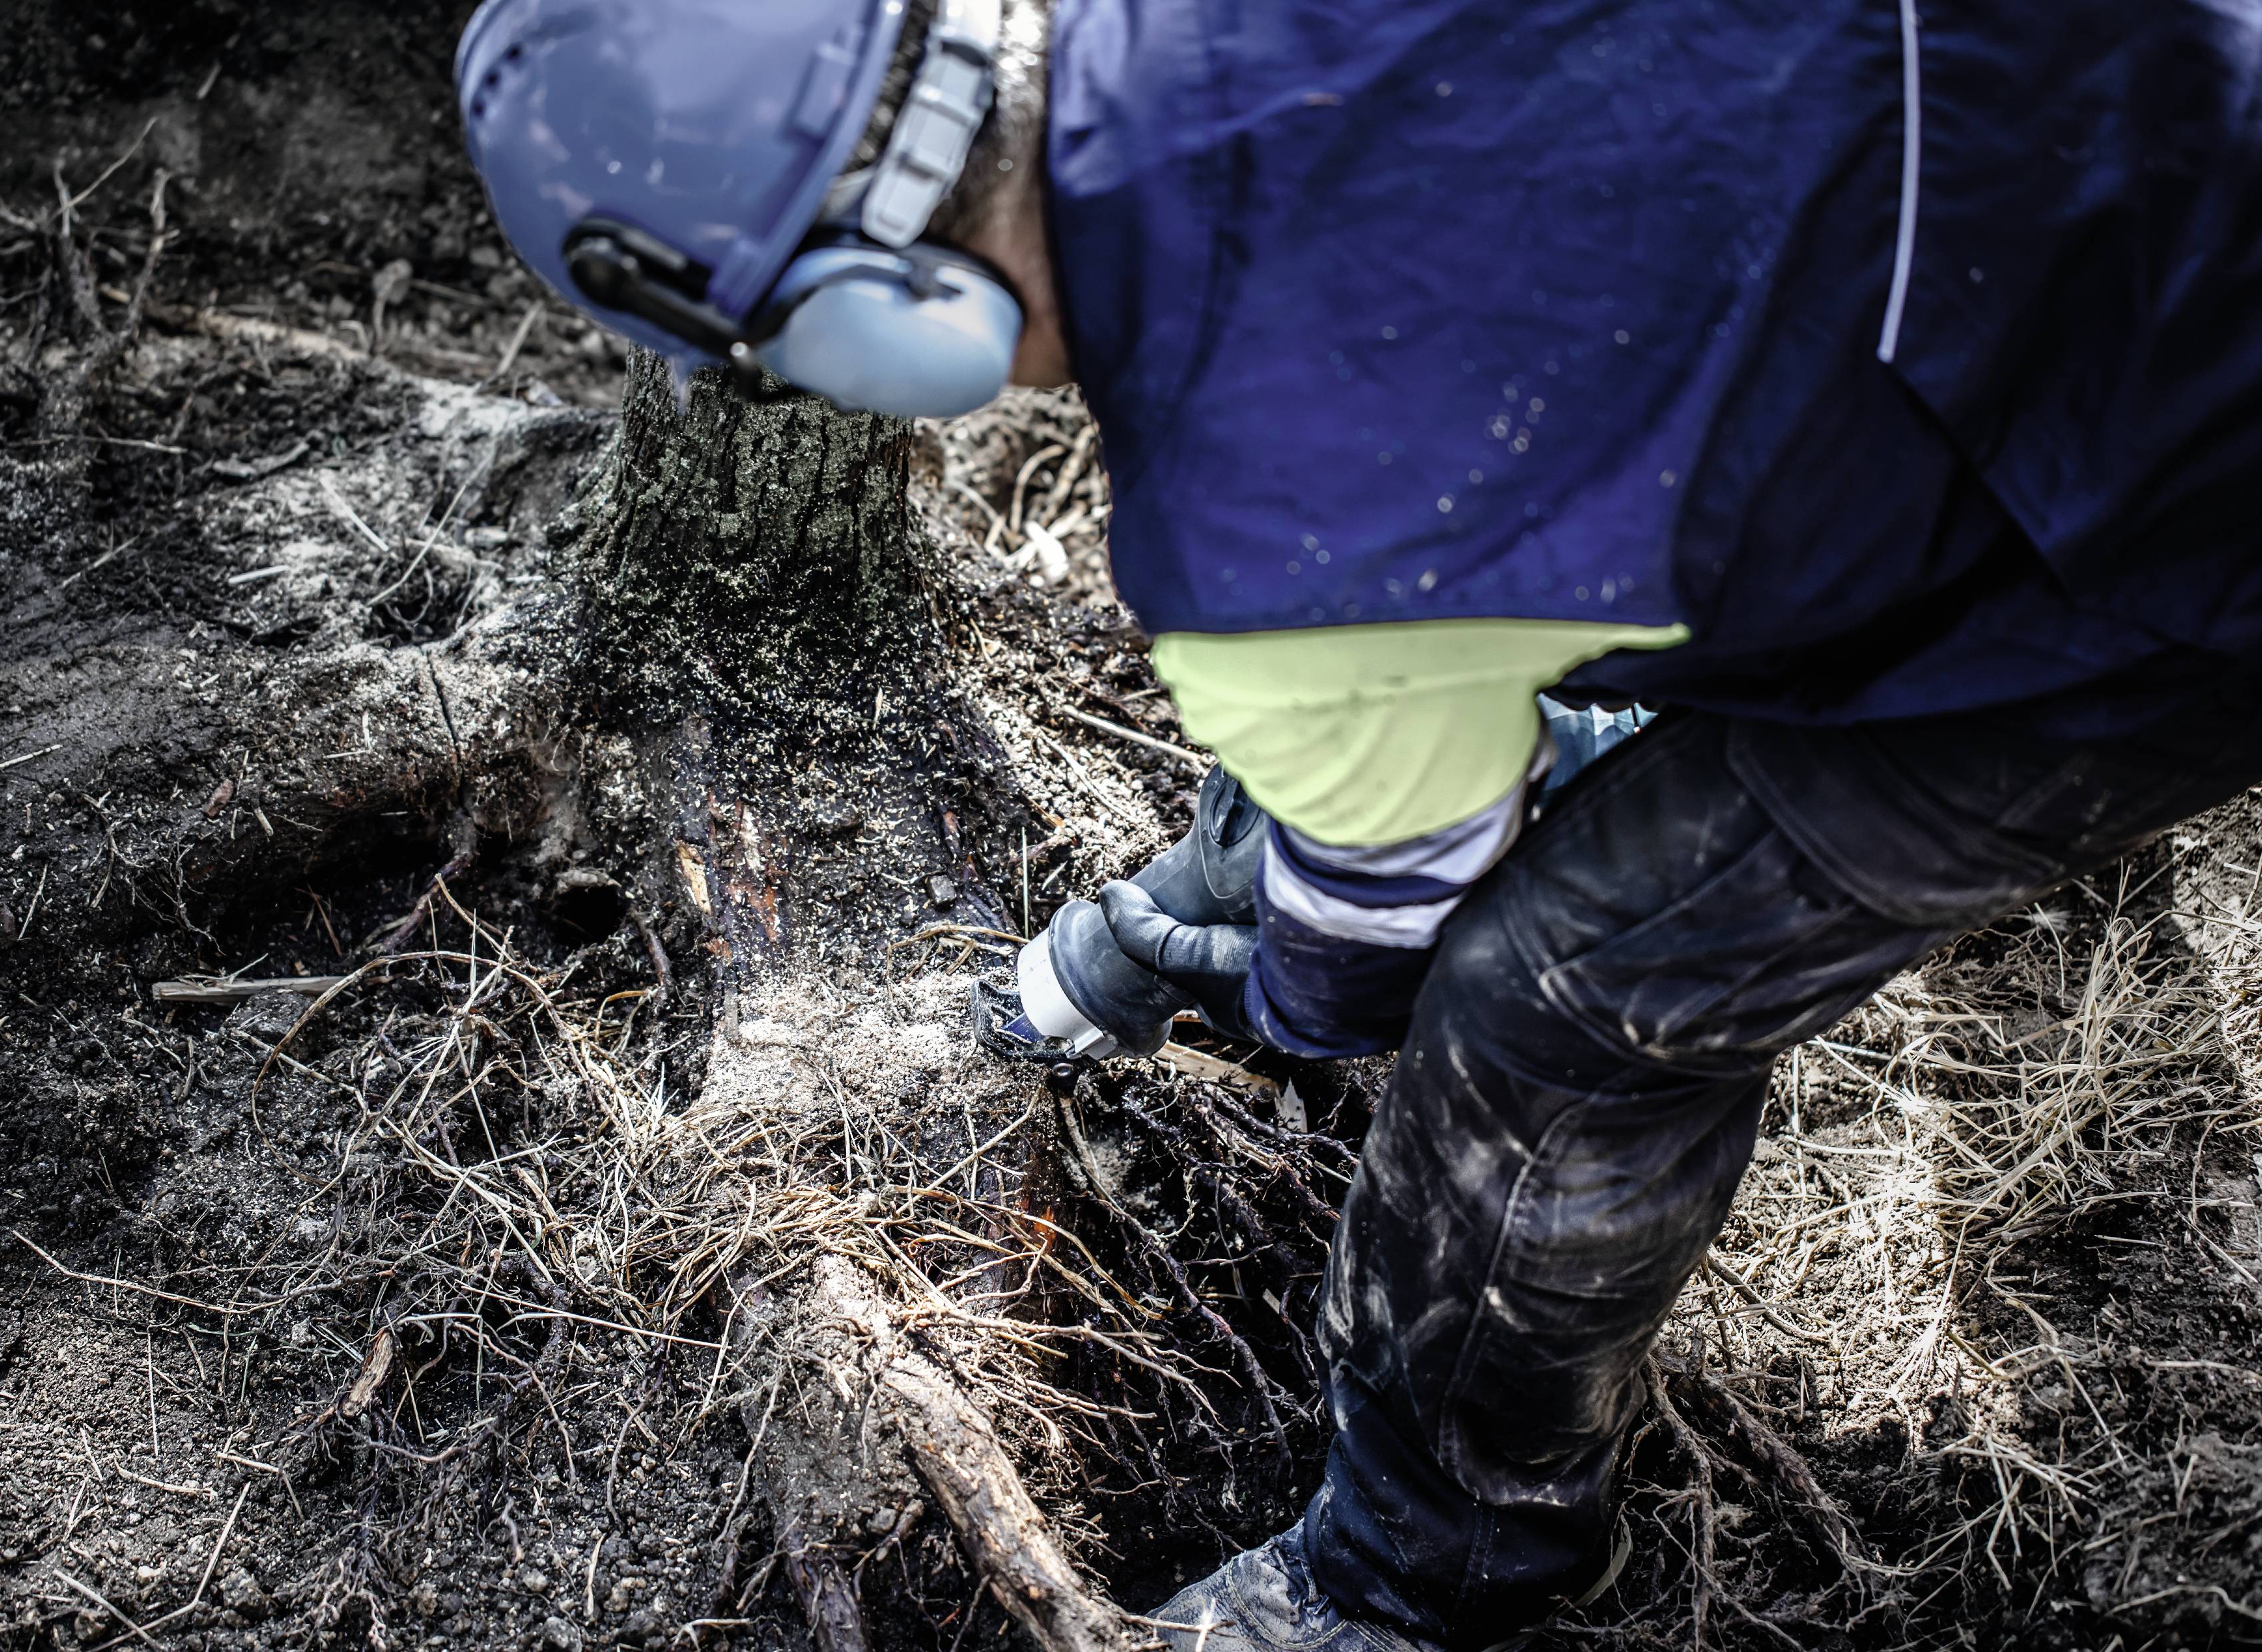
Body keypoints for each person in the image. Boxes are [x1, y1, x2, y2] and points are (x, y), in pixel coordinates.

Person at [455, 1, 2262, 1646]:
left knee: (1556, 1013)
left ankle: (1421, 1568)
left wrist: (1290, 990)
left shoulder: (1265, 567)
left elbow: (1380, 945)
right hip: (2149, 121)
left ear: (871, 317)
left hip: (2167, 538)